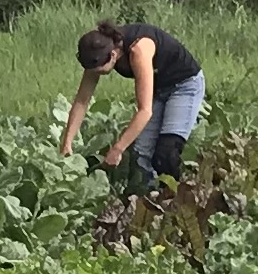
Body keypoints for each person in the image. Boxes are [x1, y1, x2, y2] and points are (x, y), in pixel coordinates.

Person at [62, 19, 206, 189]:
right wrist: (67, 142)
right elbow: (82, 100)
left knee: (166, 153)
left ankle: (175, 199)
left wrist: (118, 148)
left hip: (184, 85)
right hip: (158, 88)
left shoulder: (139, 50)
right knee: (141, 154)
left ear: (114, 55)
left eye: (100, 71)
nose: (96, 74)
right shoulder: (98, 51)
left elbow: (145, 111)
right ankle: (147, 201)